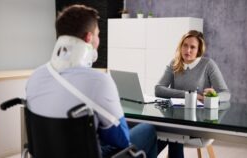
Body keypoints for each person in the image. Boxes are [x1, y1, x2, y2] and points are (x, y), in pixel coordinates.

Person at [26, 4, 157, 158]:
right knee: (148, 130)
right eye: (98, 35)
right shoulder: (99, 81)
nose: (98, 40)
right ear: (89, 37)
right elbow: (121, 139)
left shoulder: (35, 77)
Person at [155, 30, 231, 102]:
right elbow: (158, 89)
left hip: (199, 113)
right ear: (181, 46)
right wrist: (190, 95)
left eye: (192, 47)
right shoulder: (174, 63)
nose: (188, 50)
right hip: (175, 112)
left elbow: (225, 93)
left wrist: (213, 97)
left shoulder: (208, 64)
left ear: (198, 50)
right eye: (185, 45)